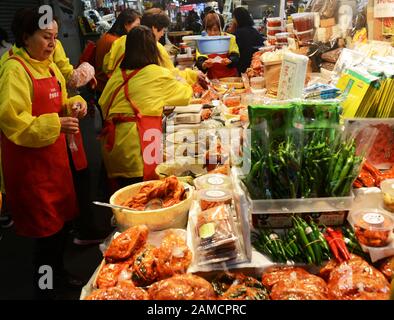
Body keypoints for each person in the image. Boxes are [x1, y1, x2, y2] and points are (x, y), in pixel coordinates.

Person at [0, 7, 87, 298]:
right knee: (45, 233)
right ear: (26, 37)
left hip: (55, 160)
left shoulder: (48, 65)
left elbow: (59, 101)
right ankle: (46, 286)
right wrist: (56, 123)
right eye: (45, 37)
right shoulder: (14, 69)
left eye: (54, 37)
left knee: (60, 226)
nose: (52, 44)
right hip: (30, 166)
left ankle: (58, 275)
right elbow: (13, 121)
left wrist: (73, 105)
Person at [99, 26, 193, 190]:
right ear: (153, 48)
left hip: (113, 147)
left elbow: (103, 103)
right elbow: (185, 95)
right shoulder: (156, 73)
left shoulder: (118, 74)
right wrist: (183, 79)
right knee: (146, 197)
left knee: (124, 198)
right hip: (139, 148)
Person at [103, 8, 205, 87]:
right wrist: (193, 75)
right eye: (162, 31)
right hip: (138, 102)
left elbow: (106, 66)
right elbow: (172, 75)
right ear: (154, 28)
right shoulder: (154, 46)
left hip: (115, 94)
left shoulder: (121, 41)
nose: (162, 35)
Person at [95, 9, 140, 93]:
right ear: (126, 24)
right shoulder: (117, 43)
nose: (139, 29)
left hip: (100, 82)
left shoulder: (107, 36)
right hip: (106, 86)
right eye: (137, 25)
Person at [196, 11, 240, 79]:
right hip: (213, 79)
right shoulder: (202, 41)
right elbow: (200, 58)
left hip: (230, 77)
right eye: (209, 30)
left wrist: (230, 61)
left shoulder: (229, 38)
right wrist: (204, 64)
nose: (212, 33)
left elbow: (235, 55)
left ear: (221, 28)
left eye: (215, 30)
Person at [232, 7, 264, 74]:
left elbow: (235, 55)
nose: (233, 20)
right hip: (256, 68)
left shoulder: (237, 33)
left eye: (234, 18)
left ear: (238, 19)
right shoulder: (255, 31)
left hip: (243, 70)